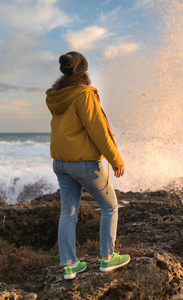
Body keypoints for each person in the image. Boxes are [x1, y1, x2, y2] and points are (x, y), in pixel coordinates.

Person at [46, 51, 130, 280]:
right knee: (110, 206)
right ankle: (107, 258)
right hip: (83, 164)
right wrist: (116, 160)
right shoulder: (84, 95)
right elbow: (99, 131)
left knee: (68, 212)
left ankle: (70, 266)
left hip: (60, 163)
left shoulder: (57, 96)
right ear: (83, 70)